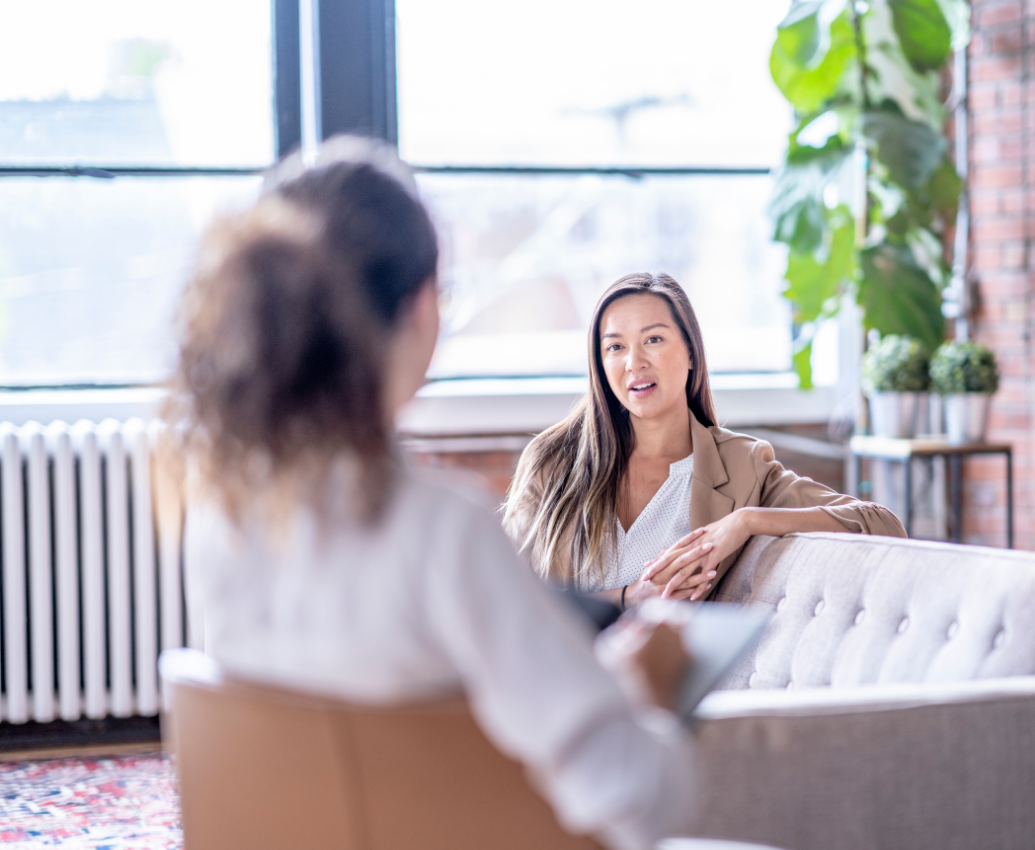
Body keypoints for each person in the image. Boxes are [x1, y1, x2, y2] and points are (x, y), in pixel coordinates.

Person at [169, 138, 695, 850]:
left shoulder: (221, 517)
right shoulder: (443, 531)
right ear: (421, 308)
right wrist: (642, 693)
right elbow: (637, 799)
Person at [503, 273, 906, 608]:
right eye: (615, 347)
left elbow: (882, 525)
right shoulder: (552, 461)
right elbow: (502, 595)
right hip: (562, 682)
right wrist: (629, 599)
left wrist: (747, 520)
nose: (634, 362)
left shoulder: (741, 465)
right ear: (601, 364)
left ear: (692, 352)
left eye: (654, 339)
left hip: (675, 691)